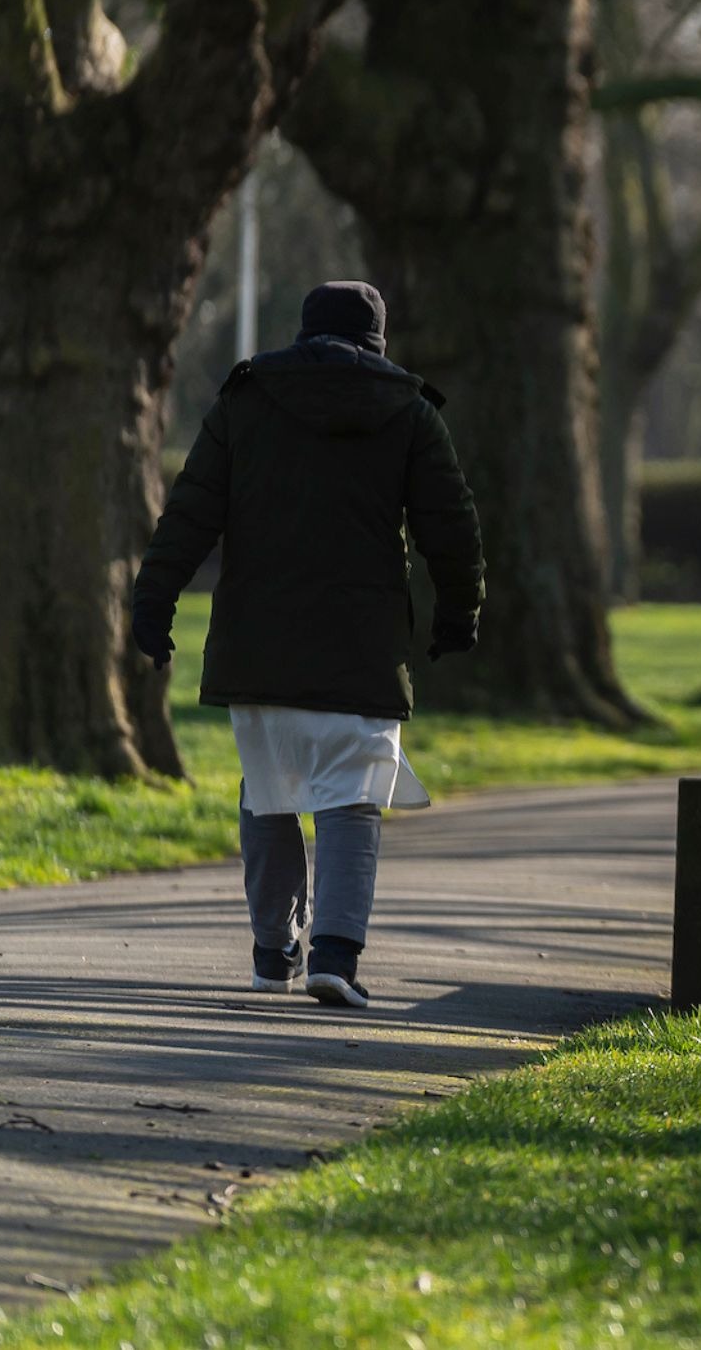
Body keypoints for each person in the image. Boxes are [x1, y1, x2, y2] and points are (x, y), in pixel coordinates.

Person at [129, 280, 484, 1009]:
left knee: (268, 791)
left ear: (305, 331)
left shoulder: (245, 403)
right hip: (362, 646)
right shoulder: (409, 412)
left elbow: (189, 515)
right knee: (353, 797)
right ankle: (335, 956)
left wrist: (152, 606)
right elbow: (452, 527)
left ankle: (272, 952)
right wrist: (458, 616)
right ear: (377, 341)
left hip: (256, 644)